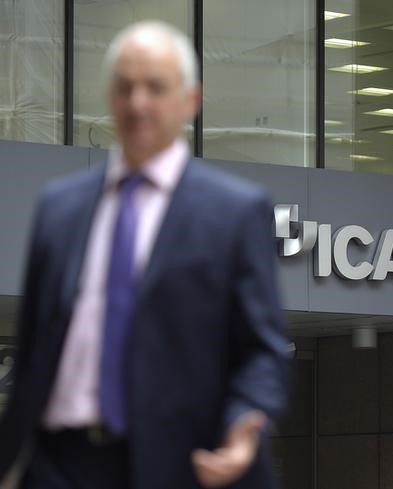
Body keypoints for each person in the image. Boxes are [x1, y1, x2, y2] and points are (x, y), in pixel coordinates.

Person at [0, 21, 290, 489]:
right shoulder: (59, 207)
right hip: (57, 465)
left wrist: (244, 422)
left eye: (155, 88)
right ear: (109, 96)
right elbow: (34, 349)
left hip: (177, 465)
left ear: (190, 101)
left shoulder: (234, 213)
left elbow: (264, 350)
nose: (138, 103)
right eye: (125, 87)